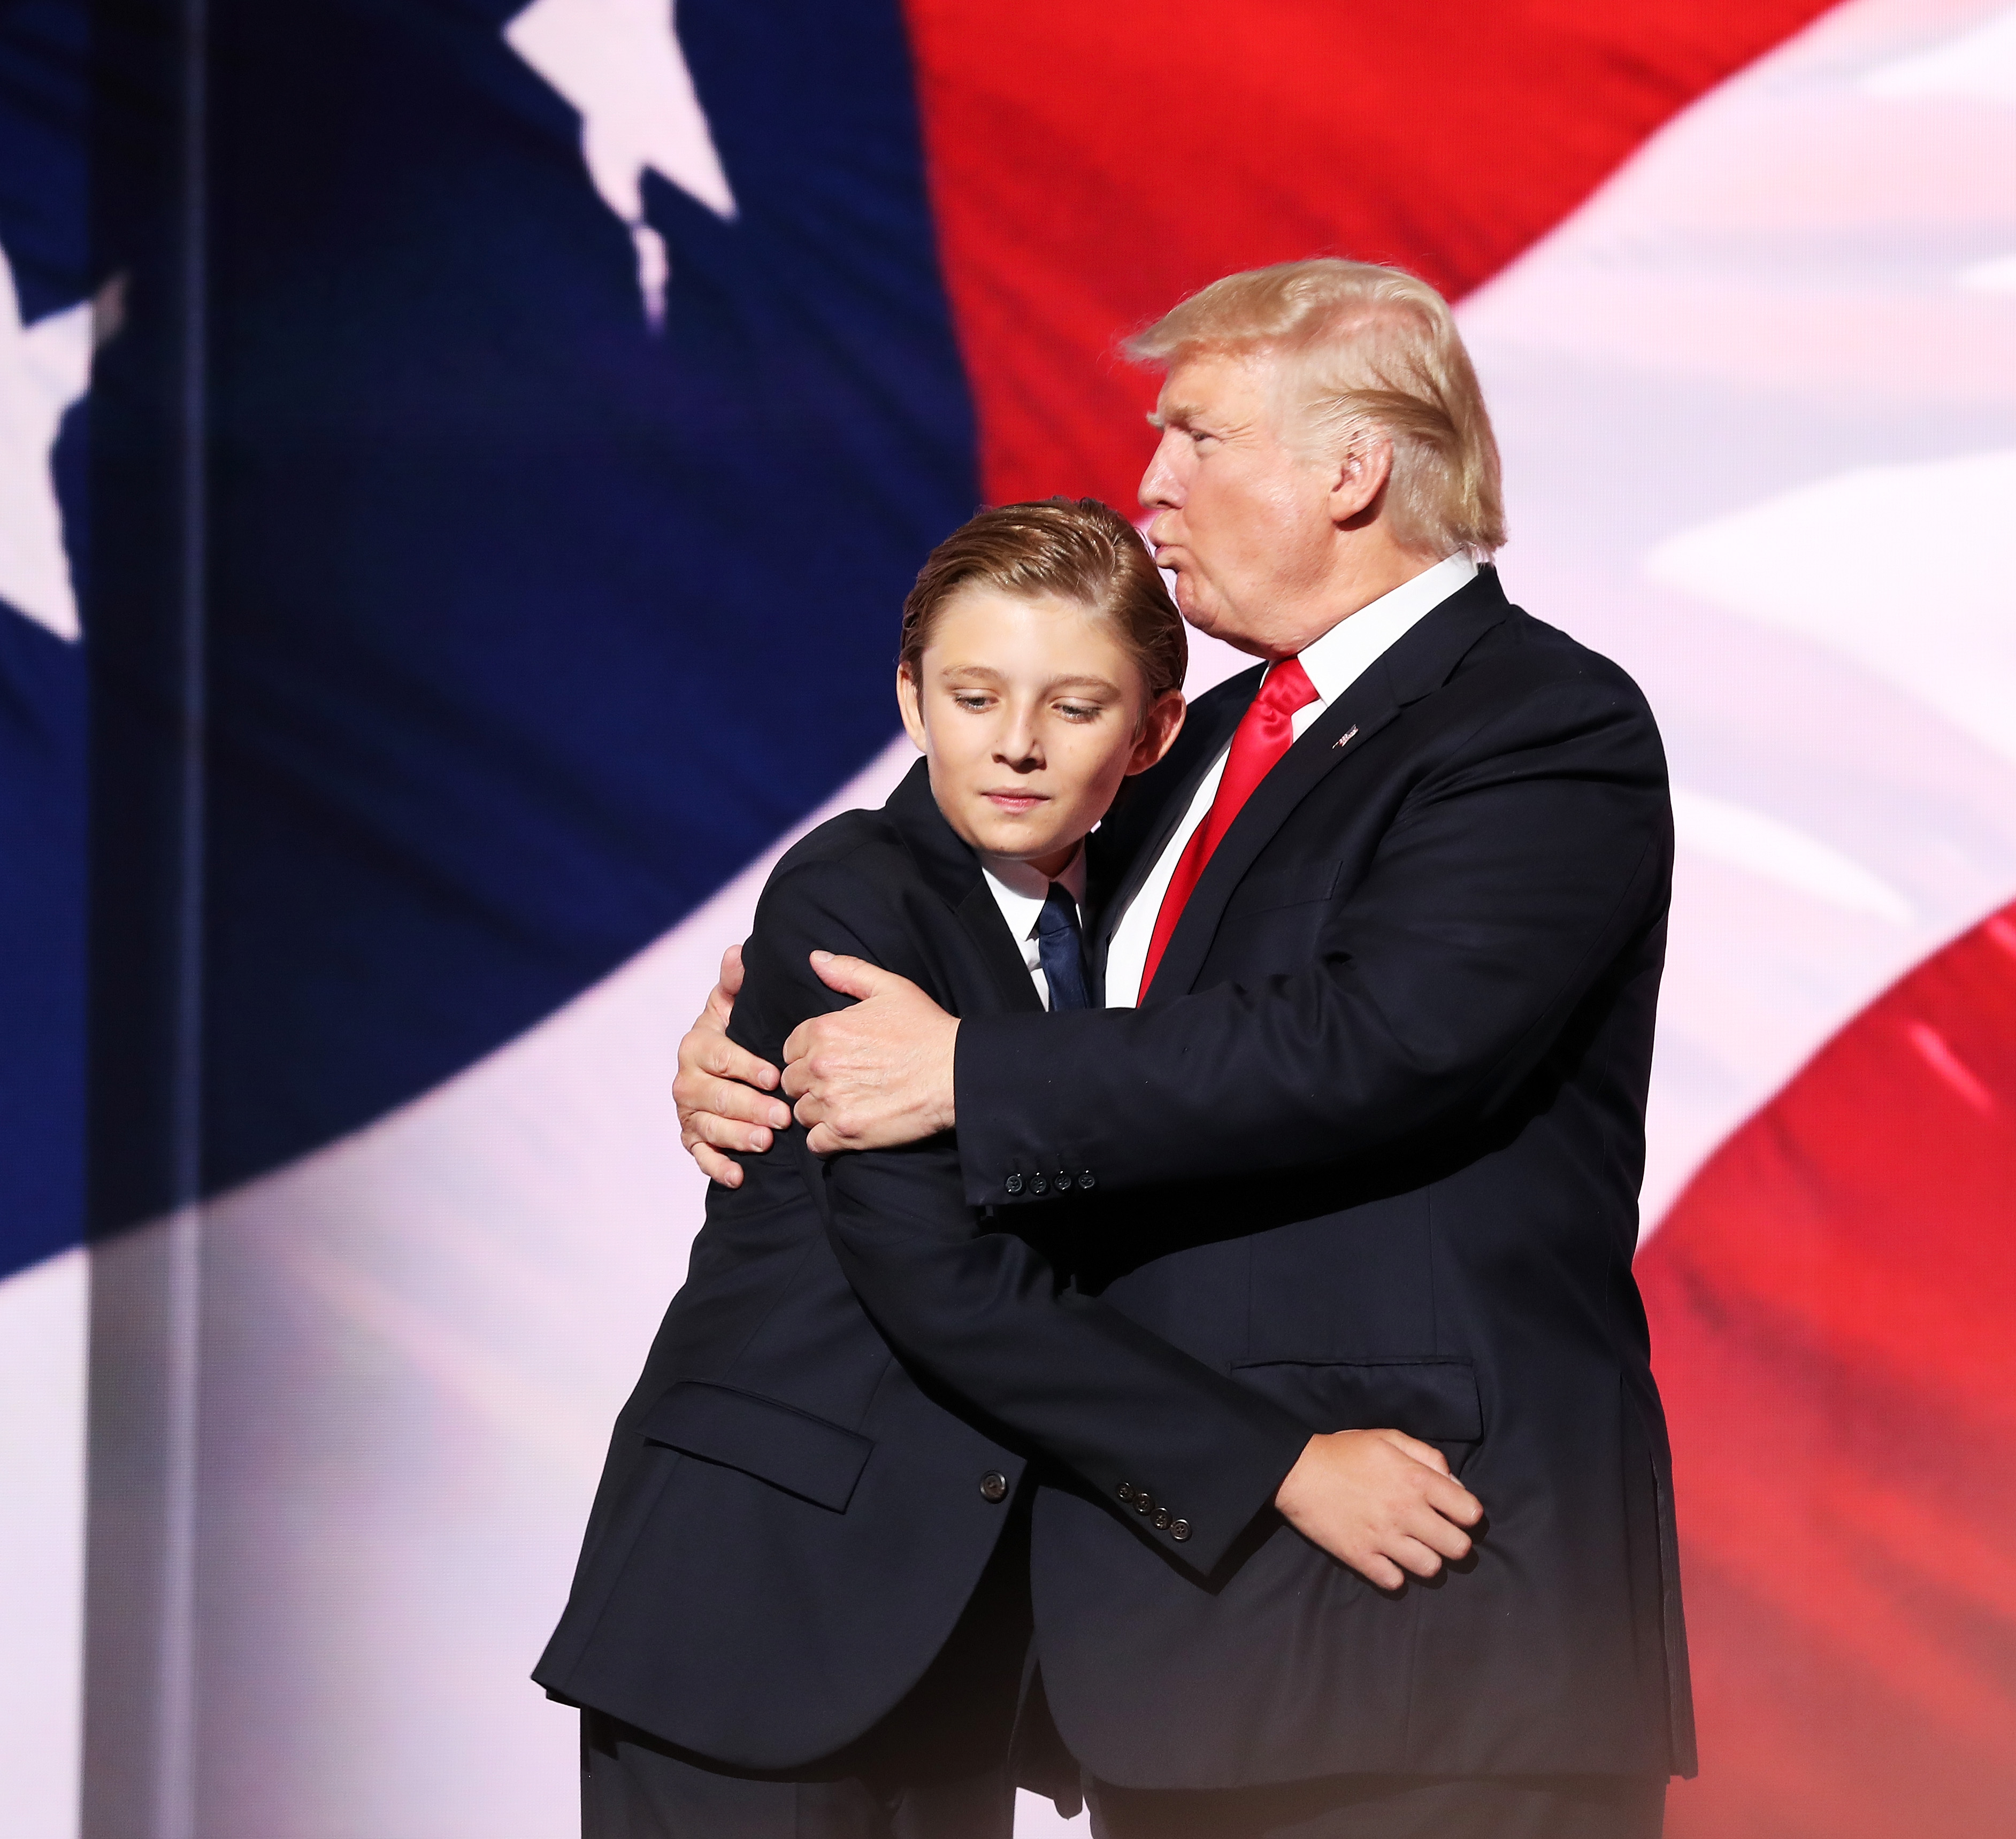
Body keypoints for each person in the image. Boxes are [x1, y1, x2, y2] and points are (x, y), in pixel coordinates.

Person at [675, 259, 1691, 1838]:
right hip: (1180, 1624)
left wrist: (967, 1080)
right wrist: (753, 1021)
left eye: (1196, 436)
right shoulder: (1188, 746)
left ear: (1349, 467)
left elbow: (1388, 1039)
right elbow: (959, 919)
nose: (1149, 481)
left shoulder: (1535, 724)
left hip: (1421, 1603)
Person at [541, 497, 1484, 1838]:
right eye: (975, 695)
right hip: (752, 1613)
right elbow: (936, 1276)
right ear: (912, 702)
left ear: (1156, 732)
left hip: (957, 1636)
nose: (1018, 745)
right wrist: (1280, 1464)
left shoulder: (1145, 923)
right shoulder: (852, 895)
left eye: (1076, 706)